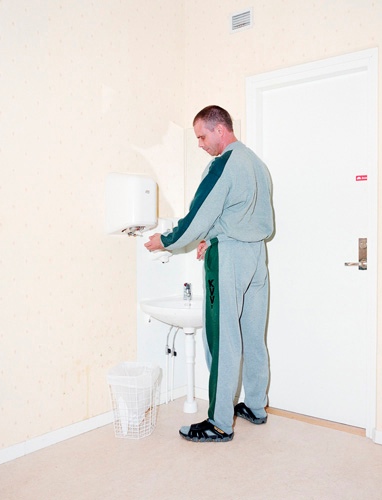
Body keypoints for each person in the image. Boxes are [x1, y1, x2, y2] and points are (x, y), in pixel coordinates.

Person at [144, 105, 274, 442]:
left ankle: (219, 423)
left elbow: (199, 213)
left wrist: (166, 240)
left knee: (222, 338)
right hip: (256, 256)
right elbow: (237, 213)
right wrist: (212, 237)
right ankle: (256, 405)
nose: (200, 144)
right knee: (253, 335)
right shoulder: (256, 164)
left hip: (230, 258)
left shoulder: (224, 163)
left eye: (202, 136)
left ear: (220, 129)